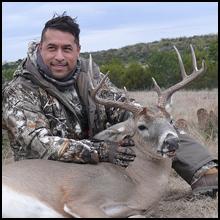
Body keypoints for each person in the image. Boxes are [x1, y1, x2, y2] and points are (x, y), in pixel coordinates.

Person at [2, 13, 218, 197]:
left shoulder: (89, 75)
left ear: (78, 49)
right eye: (52, 48)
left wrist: (147, 118)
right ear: (40, 48)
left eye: (67, 48)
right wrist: (103, 150)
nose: (59, 56)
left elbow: (121, 105)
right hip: (46, 173)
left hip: (98, 163)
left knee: (157, 125)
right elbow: (40, 143)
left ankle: (205, 172)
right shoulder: (20, 90)